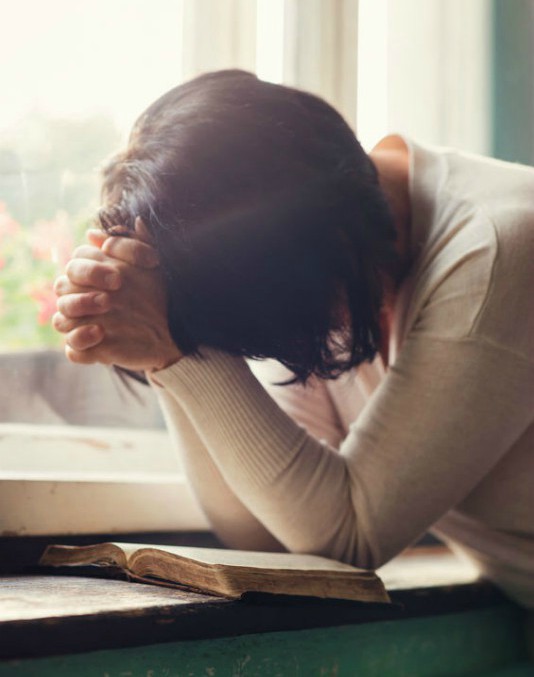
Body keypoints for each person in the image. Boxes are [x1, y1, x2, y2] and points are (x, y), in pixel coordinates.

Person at [53, 70, 534, 611]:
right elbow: (267, 530)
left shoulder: (499, 250)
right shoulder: (337, 255)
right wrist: (162, 340)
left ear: (329, 240)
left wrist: (174, 347)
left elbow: (349, 538)